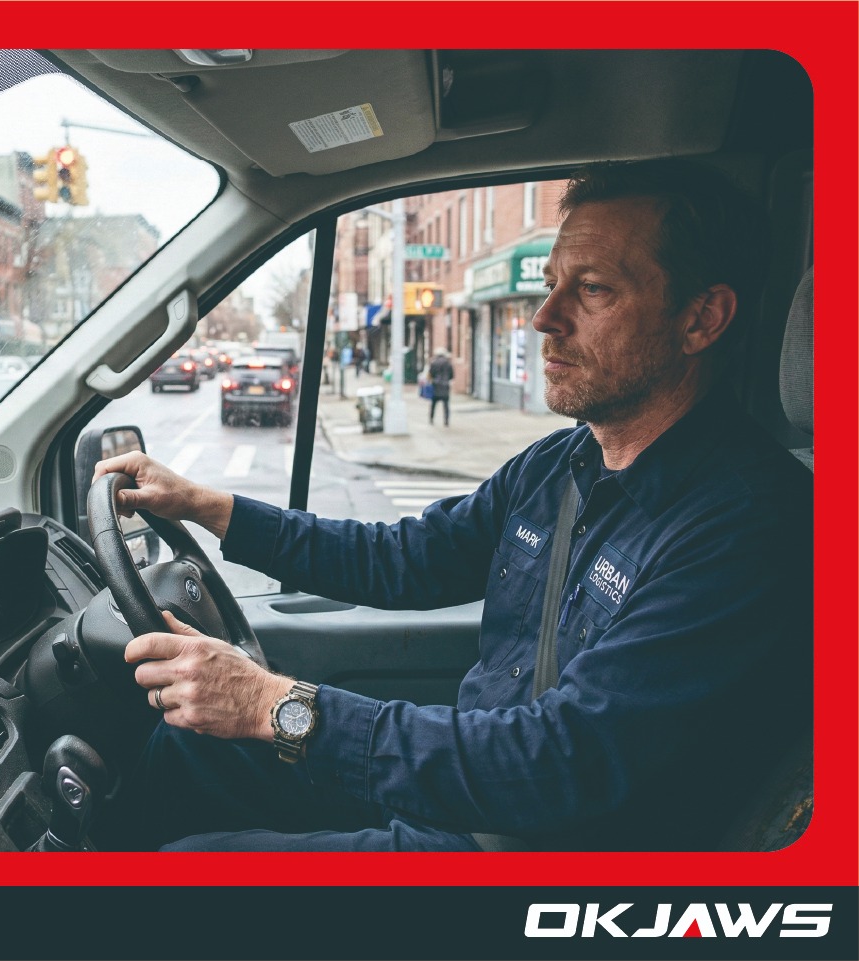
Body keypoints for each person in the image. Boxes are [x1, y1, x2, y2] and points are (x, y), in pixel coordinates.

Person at [93, 159, 813, 853]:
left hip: (540, 844)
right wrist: (207, 506)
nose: (544, 318)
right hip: (469, 787)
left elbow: (562, 761)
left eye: (592, 289)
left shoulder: (745, 528)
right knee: (193, 745)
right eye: (551, 285)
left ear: (701, 319)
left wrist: (272, 706)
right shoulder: (558, 465)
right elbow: (402, 558)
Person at [426, 347, 454, 425]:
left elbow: (430, 374)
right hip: (445, 385)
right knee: (446, 404)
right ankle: (446, 420)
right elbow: (451, 375)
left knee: (433, 404)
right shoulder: (448, 363)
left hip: (436, 385)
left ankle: (431, 419)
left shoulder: (434, 363)